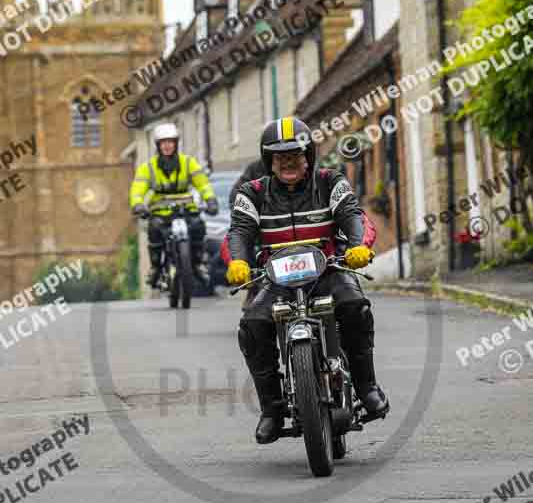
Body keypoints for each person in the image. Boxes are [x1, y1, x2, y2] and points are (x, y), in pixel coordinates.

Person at [226, 116, 389, 444]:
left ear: (309, 157)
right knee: (253, 325)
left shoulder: (331, 181)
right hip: (277, 280)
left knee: (356, 306)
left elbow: (354, 217)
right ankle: (272, 410)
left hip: (328, 269)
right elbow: (239, 233)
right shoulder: (252, 192)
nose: (288, 162)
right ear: (268, 160)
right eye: (279, 157)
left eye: (295, 155)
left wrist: (357, 247)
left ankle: (367, 387)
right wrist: (238, 262)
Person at [129, 123, 219, 288]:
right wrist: (138, 205)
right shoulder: (147, 168)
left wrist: (211, 200)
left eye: (170, 142)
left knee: (198, 226)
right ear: (158, 145)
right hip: (160, 212)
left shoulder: (188, 163)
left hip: (186, 209)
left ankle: (198, 264)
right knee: (154, 229)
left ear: (176, 143)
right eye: (163, 142)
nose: (167, 146)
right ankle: (155, 268)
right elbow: (137, 189)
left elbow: (203, 184)